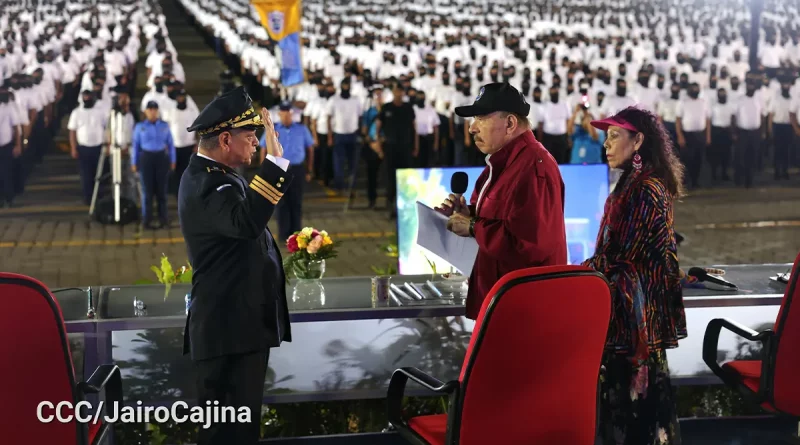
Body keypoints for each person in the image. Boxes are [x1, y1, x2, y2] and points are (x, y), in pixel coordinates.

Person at [179, 86, 294, 445]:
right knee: (227, 434)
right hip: (227, 331)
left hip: (236, 328)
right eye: (251, 135)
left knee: (239, 432)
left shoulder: (219, 177)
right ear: (226, 139)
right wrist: (274, 167)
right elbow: (246, 224)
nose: (258, 143)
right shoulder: (206, 183)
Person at [583, 106, 687, 445]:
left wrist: (580, 272)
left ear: (638, 140)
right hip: (629, 320)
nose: (607, 145)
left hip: (635, 325)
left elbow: (623, 255)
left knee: (634, 415)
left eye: (615, 136)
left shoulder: (646, 188)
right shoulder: (634, 182)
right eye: (606, 137)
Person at [435, 82, 568, 320]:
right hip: (502, 303)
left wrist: (474, 227)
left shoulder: (534, 167)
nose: (472, 129)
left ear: (509, 124)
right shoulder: (500, 164)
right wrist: (468, 214)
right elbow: (504, 219)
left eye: (481, 119)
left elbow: (531, 245)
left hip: (524, 310)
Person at [260, 101, 314, 241]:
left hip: (297, 169)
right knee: (281, 203)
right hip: (279, 168)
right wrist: (264, 170)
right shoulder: (273, 130)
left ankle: (296, 235)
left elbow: (310, 148)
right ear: (279, 114)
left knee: (296, 202)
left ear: (292, 114)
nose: (286, 117)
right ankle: (284, 235)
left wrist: (309, 169)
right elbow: (263, 148)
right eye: (283, 114)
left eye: (288, 114)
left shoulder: (301, 129)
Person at [132, 101, 175, 229]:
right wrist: (134, 162)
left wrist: (173, 160)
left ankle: (163, 218)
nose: (152, 111)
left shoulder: (164, 125)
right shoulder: (140, 127)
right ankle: (147, 219)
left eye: (154, 109)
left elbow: (171, 144)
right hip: (146, 158)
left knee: (161, 190)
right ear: (145, 111)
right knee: (147, 191)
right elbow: (135, 146)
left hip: (161, 157)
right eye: (150, 109)